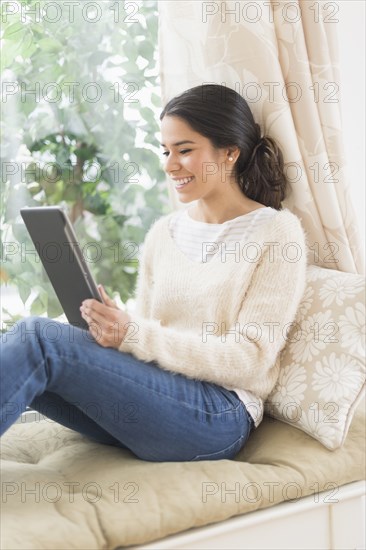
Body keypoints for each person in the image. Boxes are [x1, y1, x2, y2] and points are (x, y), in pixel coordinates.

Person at [0, 84, 307, 462]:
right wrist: (116, 329)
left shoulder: (276, 232)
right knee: (19, 341)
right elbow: (147, 336)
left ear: (229, 153)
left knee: (37, 338)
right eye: (165, 151)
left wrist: (135, 333)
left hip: (218, 414)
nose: (169, 164)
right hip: (156, 401)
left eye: (185, 150)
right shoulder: (164, 233)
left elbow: (250, 359)